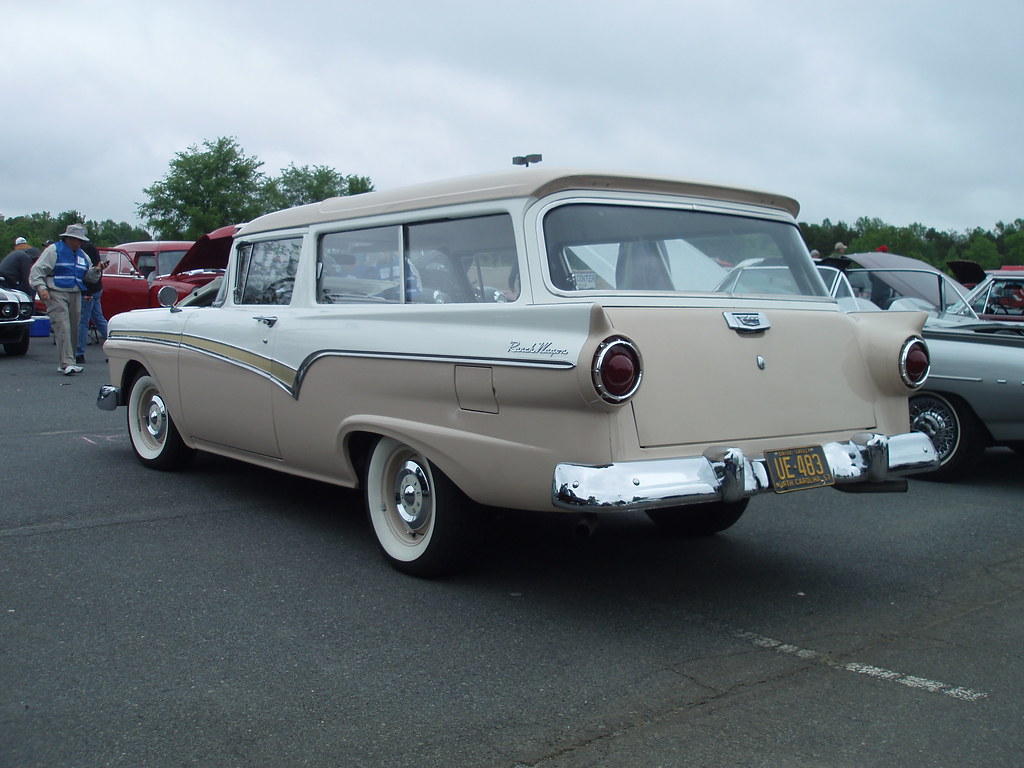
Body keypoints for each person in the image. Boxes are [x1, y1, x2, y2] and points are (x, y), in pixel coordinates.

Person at [29, 223, 102, 375]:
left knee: (74, 327)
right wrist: (41, 288)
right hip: (56, 292)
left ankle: (71, 360)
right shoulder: (53, 250)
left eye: (81, 240)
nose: (80, 243)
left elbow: (88, 277)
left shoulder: (83, 255)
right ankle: (66, 362)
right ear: (69, 238)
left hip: (75, 293)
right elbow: (37, 271)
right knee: (62, 326)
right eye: (77, 240)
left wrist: (96, 271)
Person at [76, 242, 109, 364]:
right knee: (99, 319)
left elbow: (87, 272)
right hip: (96, 289)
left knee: (83, 322)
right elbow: (97, 270)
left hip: (88, 290)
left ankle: (79, 353)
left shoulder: (83, 250)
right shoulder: (92, 248)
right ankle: (114, 345)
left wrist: (87, 291)